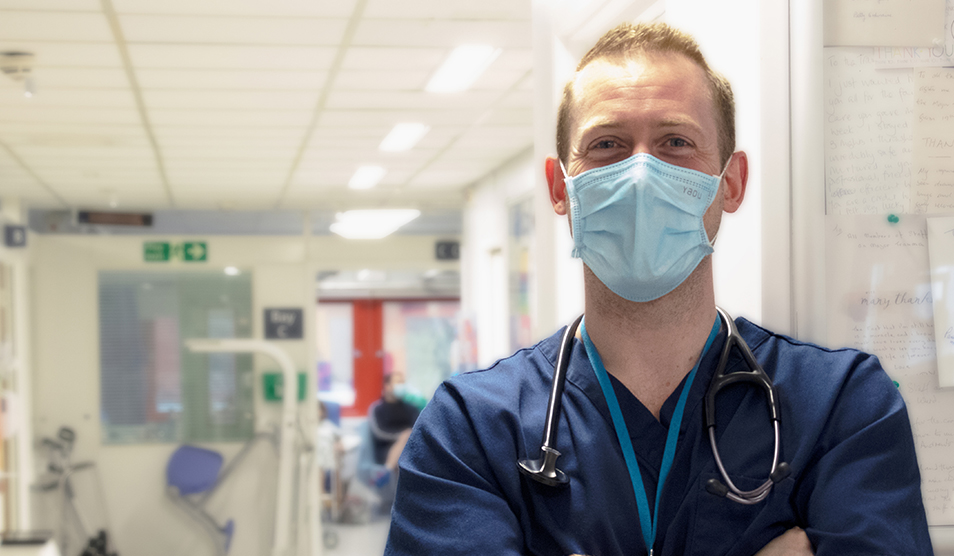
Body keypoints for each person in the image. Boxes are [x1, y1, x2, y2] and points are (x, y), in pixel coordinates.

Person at [384, 22, 932, 556]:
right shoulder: (472, 429)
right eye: (606, 144)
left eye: (675, 142)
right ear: (560, 188)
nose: (640, 172)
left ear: (731, 183)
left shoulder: (841, 405)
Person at [356, 370, 420, 509]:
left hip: (409, 447)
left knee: (407, 442)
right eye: (398, 382)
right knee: (405, 440)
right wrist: (401, 436)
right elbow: (379, 432)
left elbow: (419, 430)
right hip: (384, 451)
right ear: (387, 386)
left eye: (403, 383)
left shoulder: (411, 408)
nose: (401, 386)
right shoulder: (377, 409)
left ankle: (385, 473)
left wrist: (406, 437)